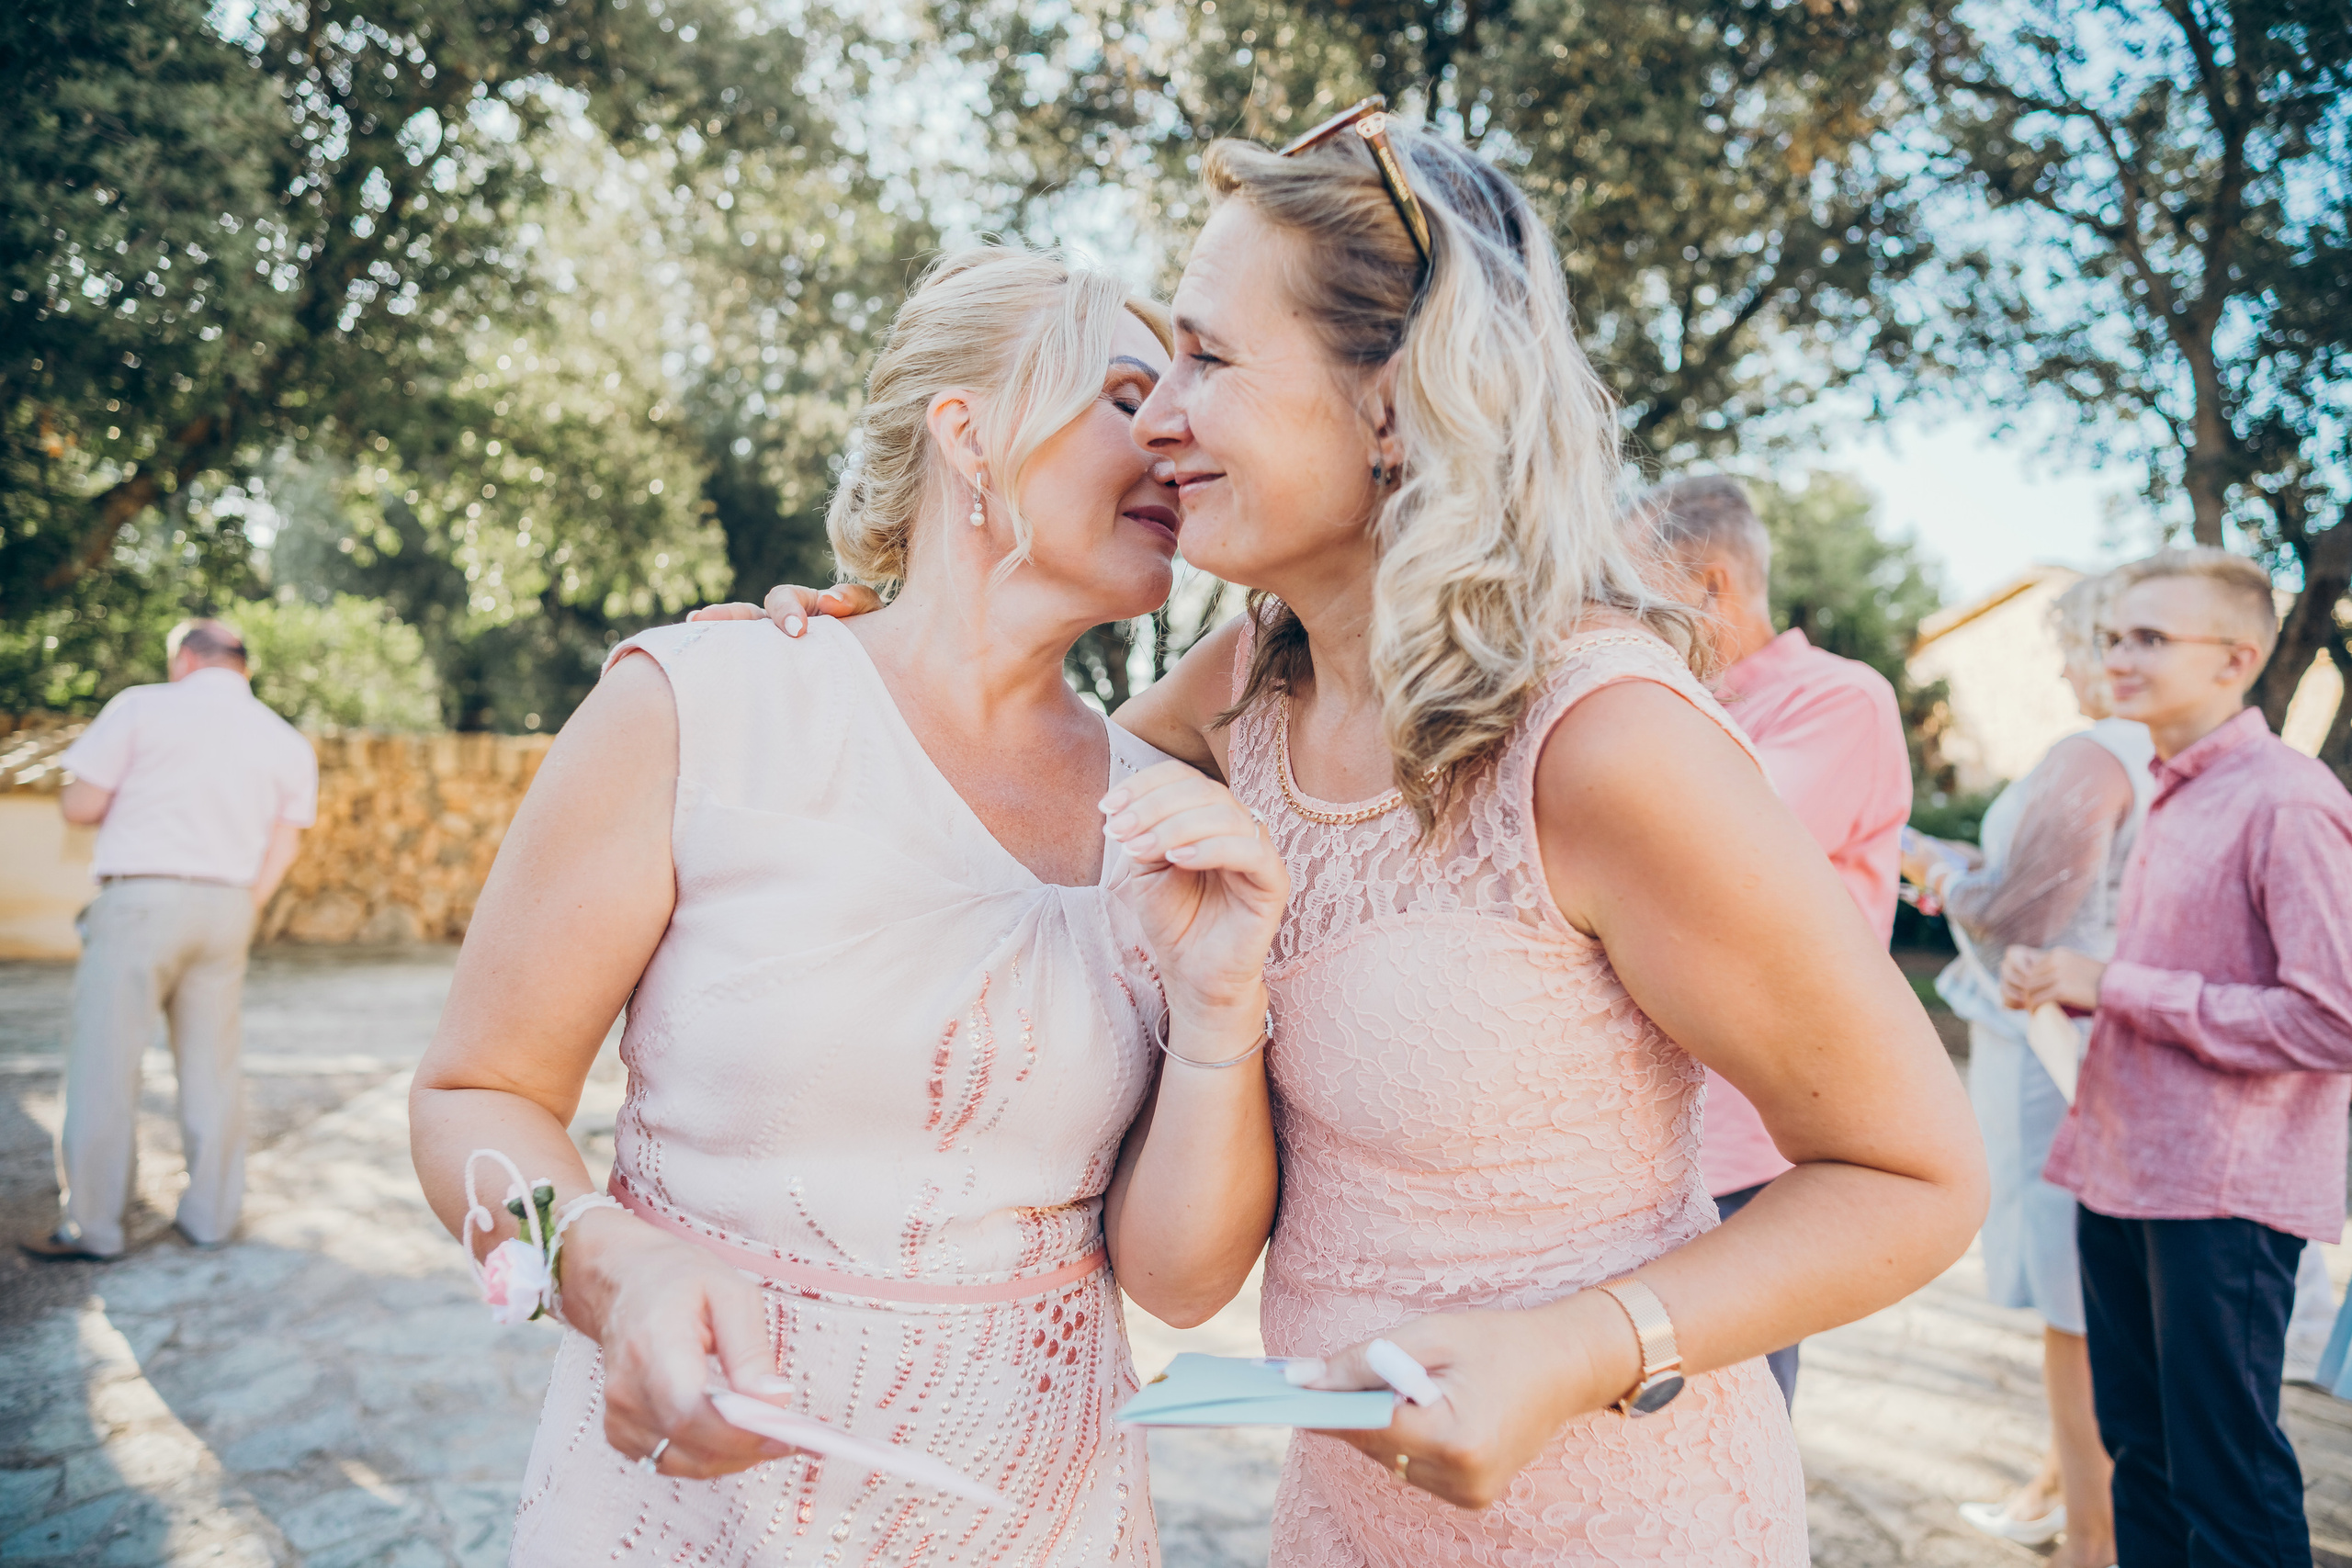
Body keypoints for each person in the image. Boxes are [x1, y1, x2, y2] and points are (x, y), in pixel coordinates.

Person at [729, 104, 1986, 1561]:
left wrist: (1586, 1346)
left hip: (1617, 1516)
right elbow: (1007, 789)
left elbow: (1914, 1174)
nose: (1154, 417)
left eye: (1206, 358)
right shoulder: (1253, 675)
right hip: (1339, 1520)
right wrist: (873, 656)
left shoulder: (1604, 744)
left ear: (1393, 406)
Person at [409, 248, 1290, 1565]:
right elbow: (472, 1092)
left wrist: (1222, 1010)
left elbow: (1179, 1279)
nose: (1172, 434)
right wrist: (610, 1269)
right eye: (1121, 393)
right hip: (696, 1505)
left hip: (1039, 1511)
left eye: (1178, 394)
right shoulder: (703, 704)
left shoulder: (1174, 809)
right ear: (968, 434)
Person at [2005, 546, 2352, 1568]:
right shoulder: (2167, 787)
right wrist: (2069, 992)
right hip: (2119, 1167)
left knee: (2225, 1483)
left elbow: (2331, 1021)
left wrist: (2108, 985)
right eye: (2115, 634)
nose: (2117, 655)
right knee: (2142, 1461)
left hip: (2222, 1196)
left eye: (2149, 637)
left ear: (2236, 659)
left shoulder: (2287, 801)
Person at [1637, 472, 1913, 1408]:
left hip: (1749, 1137)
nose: (1610, 614)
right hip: (1647, 1132)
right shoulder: (1663, 704)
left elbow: (1716, 852)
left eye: (1627, 586)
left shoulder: (1840, 698)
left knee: (1726, 1421)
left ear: (1709, 584)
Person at [1904, 573, 2144, 1568]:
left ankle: (2092, 1540)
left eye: (2068, 645)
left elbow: (2019, 913)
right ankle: (2056, 1489)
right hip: (2111, 1032)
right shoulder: (2171, 757)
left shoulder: (2095, 754)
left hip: (2058, 1046)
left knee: (2072, 1304)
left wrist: (1930, 865)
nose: (2058, 667)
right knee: (2101, 1288)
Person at [23, 619, 317, 1263]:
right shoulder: (284, 738)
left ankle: (95, 1227)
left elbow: (80, 805)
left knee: (104, 1065)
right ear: (241, 665)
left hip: (140, 900)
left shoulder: (139, 707)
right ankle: (211, 1217)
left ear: (185, 658)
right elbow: (286, 840)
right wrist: (246, 903)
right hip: (229, 905)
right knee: (212, 1068)